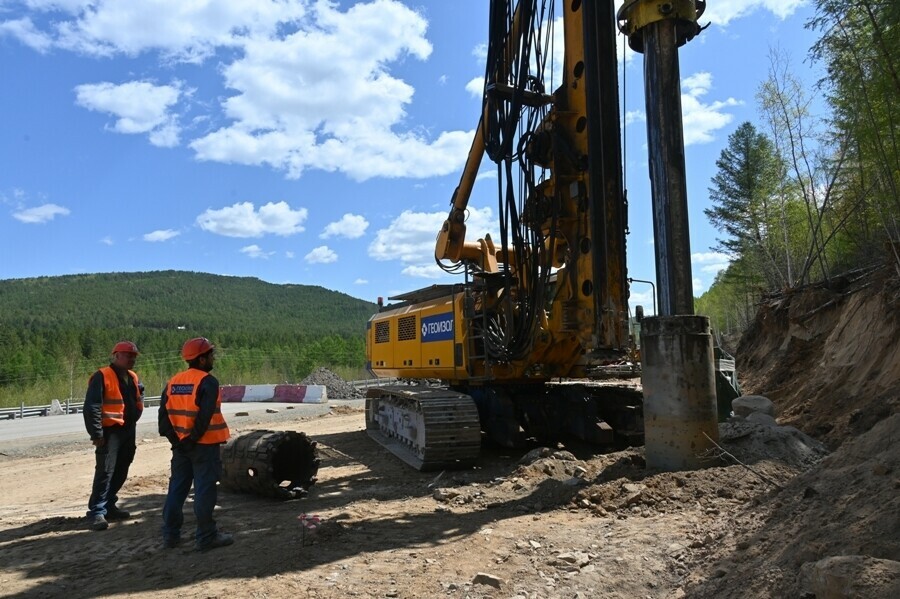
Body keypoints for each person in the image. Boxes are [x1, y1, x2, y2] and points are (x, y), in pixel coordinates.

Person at [158, 337, 233, 552]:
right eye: (210, 355)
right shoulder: (208, 382)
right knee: (204, 491)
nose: (213, 358)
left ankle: (170, 536)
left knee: (176, 490)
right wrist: (191, 441)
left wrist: (178, 442)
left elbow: (163, 419)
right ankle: (207, 536)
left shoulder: (173, 382)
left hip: (181, 448)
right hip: (204, 446)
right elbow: (205, 417)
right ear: (201, 359)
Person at [83, 340, 144, 531]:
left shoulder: (132, 377)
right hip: (109, 433)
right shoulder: (102, 376)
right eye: (128, 355)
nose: (132, 359)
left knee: (121, 469)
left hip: (127, 430)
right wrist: (96, 433)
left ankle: (109, 505)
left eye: (133, 356)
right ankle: (97, 512)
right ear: (116, 355)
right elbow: (92, 406)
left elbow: (136, 399)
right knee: (105, 471)